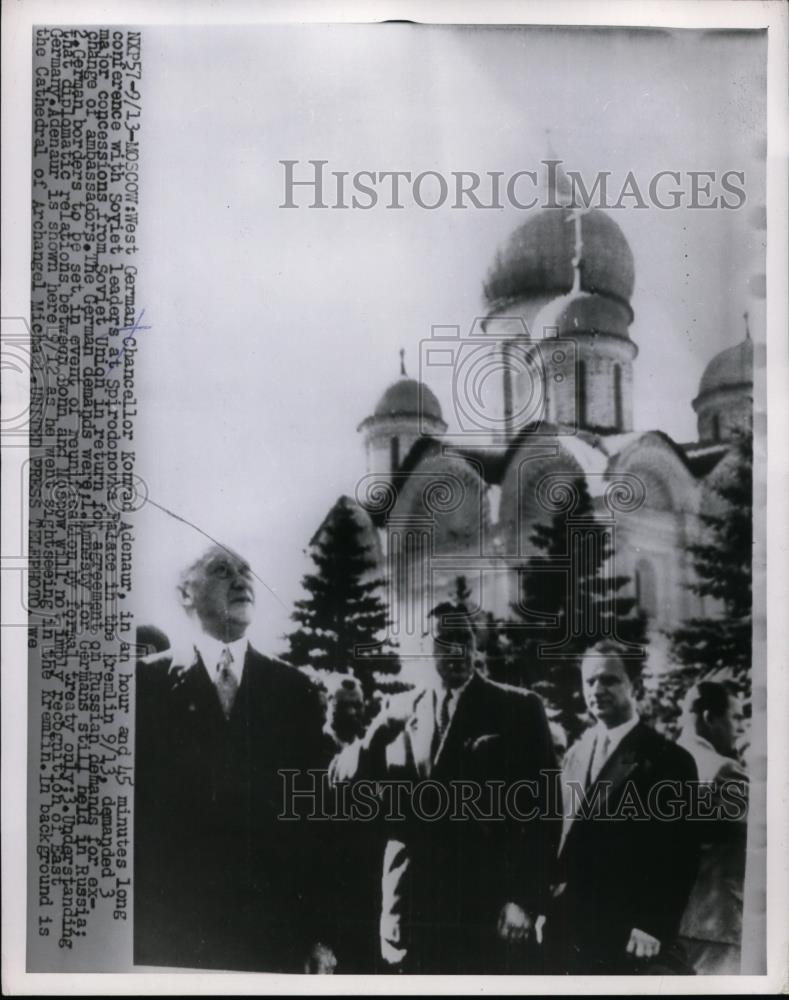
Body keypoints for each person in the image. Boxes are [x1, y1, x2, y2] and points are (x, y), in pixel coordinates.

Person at [134, 544, 335, 973]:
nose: (243, 580)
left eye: (247, 570)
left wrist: (319, 934)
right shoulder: (141, 685)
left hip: (269, 937)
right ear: (185, 594)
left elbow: (314, 825)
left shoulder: (294, 690)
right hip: (170, 938)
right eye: (223, 570)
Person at [330, 603, 560, 974]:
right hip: (412, 914)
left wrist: (525, 898)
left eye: (465, 639)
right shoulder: (398, 710)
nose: (459, 651)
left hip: (486, 913)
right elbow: (346, 787)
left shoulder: (518, 708)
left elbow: (544, 812)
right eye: (445, 641)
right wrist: (373, 736)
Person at [546, 641, 699, 974]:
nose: (597, 689)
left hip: (626, 936)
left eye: (609, 680)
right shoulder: (575, 754)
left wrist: (652, 924)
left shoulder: (666, 760)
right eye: (589, 681)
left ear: (636, 686)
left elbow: (680, 852)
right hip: (567, 929)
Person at [677, 681, 748, 974]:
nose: (741, 728)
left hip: (672, 922)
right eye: (736, 717)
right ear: (709, 718)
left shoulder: (663, 760)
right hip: (715, 922)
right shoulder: (722, 770)